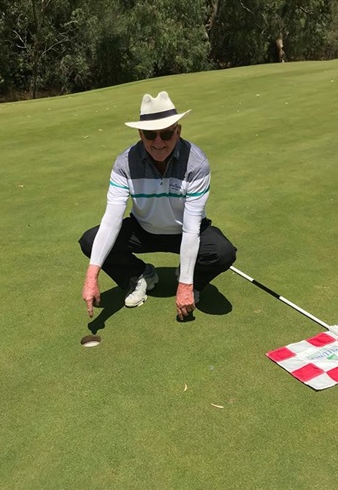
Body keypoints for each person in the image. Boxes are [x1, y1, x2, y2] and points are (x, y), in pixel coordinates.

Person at [79, 91, 237, 321]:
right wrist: (92, 276)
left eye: (166, 133)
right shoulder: (125, 163)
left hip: (184, 231)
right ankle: (140, 275)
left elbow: (192, 228)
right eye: (150, 135)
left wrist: (184, 283)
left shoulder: (196, 163)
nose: (159, 142)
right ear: (140, 134)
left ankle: (193, 279)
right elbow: (112, 219)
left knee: (223, 252)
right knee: (91, 241)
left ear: (178, 131)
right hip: (142, 230)